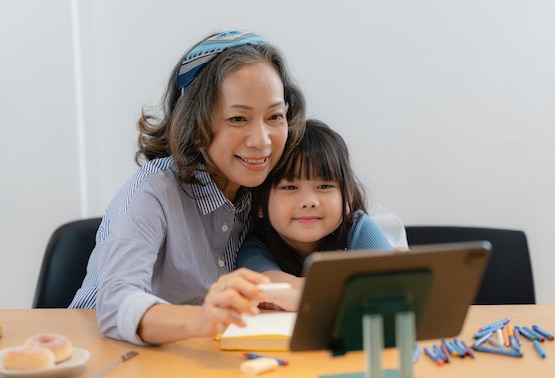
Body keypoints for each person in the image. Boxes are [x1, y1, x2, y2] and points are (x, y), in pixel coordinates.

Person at [68, 30, 306, 346]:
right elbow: (115, 305)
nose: (262, 141)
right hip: (103, 353)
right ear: (195, 126)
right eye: (238, 118)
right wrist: (202, 318)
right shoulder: (151, 191)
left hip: (196, 361)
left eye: (275, 116)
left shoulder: (264, 190)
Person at [236, 119, 394, 311]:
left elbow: (391, 284)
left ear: (348, 197)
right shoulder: (256, 245)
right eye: (290, 187)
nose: (309, 201)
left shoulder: (358, 229)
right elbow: (269, 288)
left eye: (324, 186)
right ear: (260, 203)